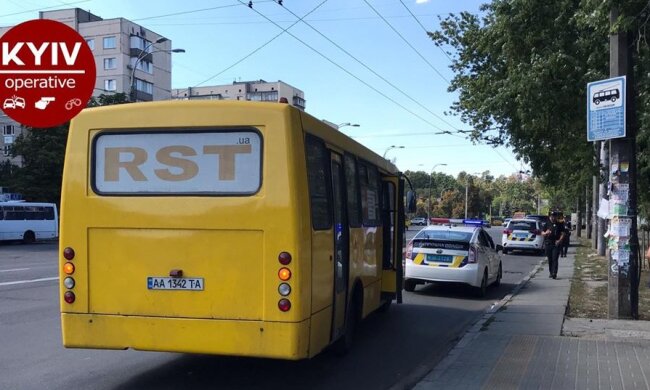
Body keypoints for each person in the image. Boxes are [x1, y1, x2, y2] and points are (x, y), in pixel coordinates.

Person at [541, 211, 566, 279]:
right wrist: (545, 233)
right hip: (548, 243)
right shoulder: (547, 224)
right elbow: (542, 233)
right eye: (551, 216)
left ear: (556, 217)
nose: (553, 218)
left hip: (556, 244)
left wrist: (559, 240)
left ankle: (554, 273)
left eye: (554, 216)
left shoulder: (559, 224)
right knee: (550, 259)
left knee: (555, 259)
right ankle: (551, 272)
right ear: (550, 217)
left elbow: (563, 233)